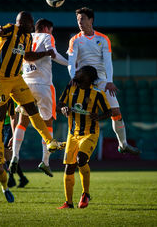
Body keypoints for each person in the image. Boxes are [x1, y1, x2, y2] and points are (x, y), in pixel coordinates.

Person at [0, 11, 65, 187]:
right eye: (23, 22)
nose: (27, 25)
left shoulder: (28, 38)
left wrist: (45, 53)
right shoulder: (10, 29)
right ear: (19, 22)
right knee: (0, 113)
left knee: (31, 109)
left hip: (17, 78)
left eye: (28, 23)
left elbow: (28, 56)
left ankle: (49, 141)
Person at [67, 7, 140, 156]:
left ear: (91, 20)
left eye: (82, 19)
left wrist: (109, 81)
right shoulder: (74, 40)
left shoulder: (103, 39)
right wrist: (73, 77)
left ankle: (123, 144)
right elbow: (71, 61)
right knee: (77, 113)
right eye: (78, 20)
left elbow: (108, 62)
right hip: (83, 81)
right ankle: (74, 148)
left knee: (116, 112)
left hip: (101, 80)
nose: (79, 22)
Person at [9, 18, 68, 177]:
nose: (51, 33)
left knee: (22, 121)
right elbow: (53, 55)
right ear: (46, 28)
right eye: (51, 30)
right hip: (43, 84)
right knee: (47, 122)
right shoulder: (47, 37)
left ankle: (15, 156)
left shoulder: (26, 37)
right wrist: (70, 64)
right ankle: (45, 161)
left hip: (25, 84)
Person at [57, 65, 112, 209]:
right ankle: (68, 203)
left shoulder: (97, 94)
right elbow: (60, 103)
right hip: (73, 134)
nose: (77, 73)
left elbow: (109, 112)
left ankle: (85, 193)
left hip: (90, 133)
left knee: (81, 159)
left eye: (80, 71)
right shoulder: (70, 89)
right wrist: (63, 108)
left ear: (88, 77)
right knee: (69, 167)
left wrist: (98, 116)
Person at [2, 108, 29, 188]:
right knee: (7, 155)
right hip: (4, 126)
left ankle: (12, 178)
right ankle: (21, 178)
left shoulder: (13, 97)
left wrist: (15, 133)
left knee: (7, 152)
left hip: (11, 126)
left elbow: (16, 114)